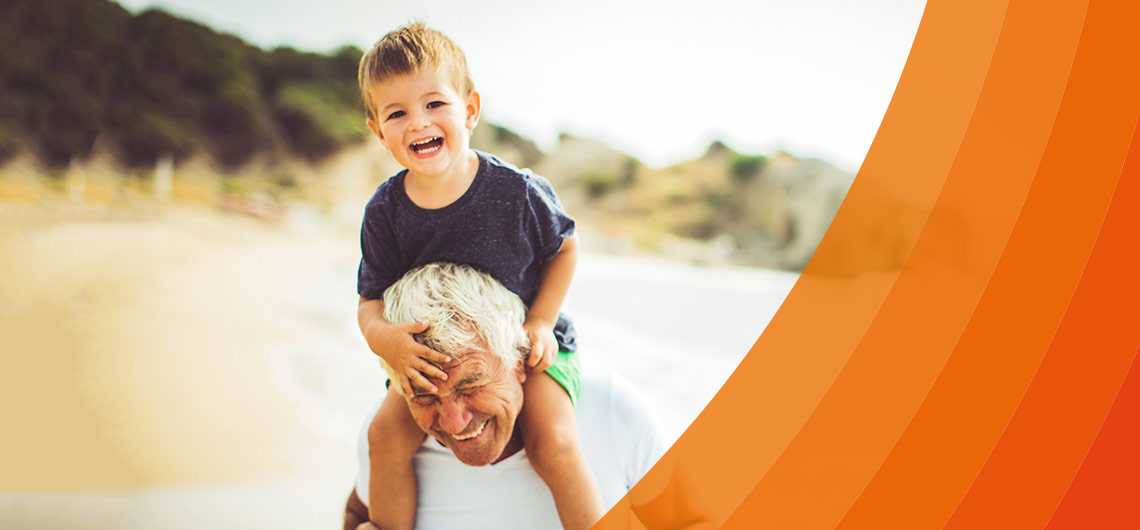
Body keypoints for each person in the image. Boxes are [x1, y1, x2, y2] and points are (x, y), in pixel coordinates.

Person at [353, 23, 598, 530]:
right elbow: (369, 300)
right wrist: (386, 342)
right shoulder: (384, 211)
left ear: (470, 109)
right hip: (434, 361)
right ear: (379, 131)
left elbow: (566, 249)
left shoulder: (517, 192)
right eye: (397, 113)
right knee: (384, 437)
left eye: (434, 104)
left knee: (552, 442)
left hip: (528, 346)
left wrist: (542, 322)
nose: (418, 122)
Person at [344, 263, 666, 530]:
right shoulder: (391, 441)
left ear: (519, 357)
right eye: (424, 398)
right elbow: (357, 514)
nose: (455, 423)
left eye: (470, 387)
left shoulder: (613, 414)